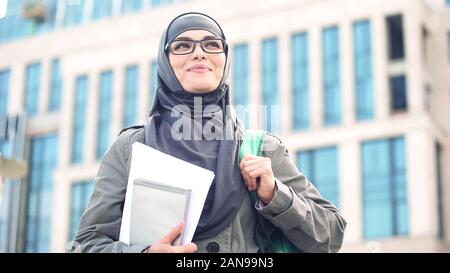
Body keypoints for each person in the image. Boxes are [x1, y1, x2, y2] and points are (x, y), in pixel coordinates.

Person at [74, 12, 347, 253]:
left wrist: (275, 194)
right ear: (165, 62)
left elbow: (331, 237)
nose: (199, 53)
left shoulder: (261, 149)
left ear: (225, 60)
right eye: (182, 45)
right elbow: (86, 244)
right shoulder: (132, 147)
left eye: (212, 44)